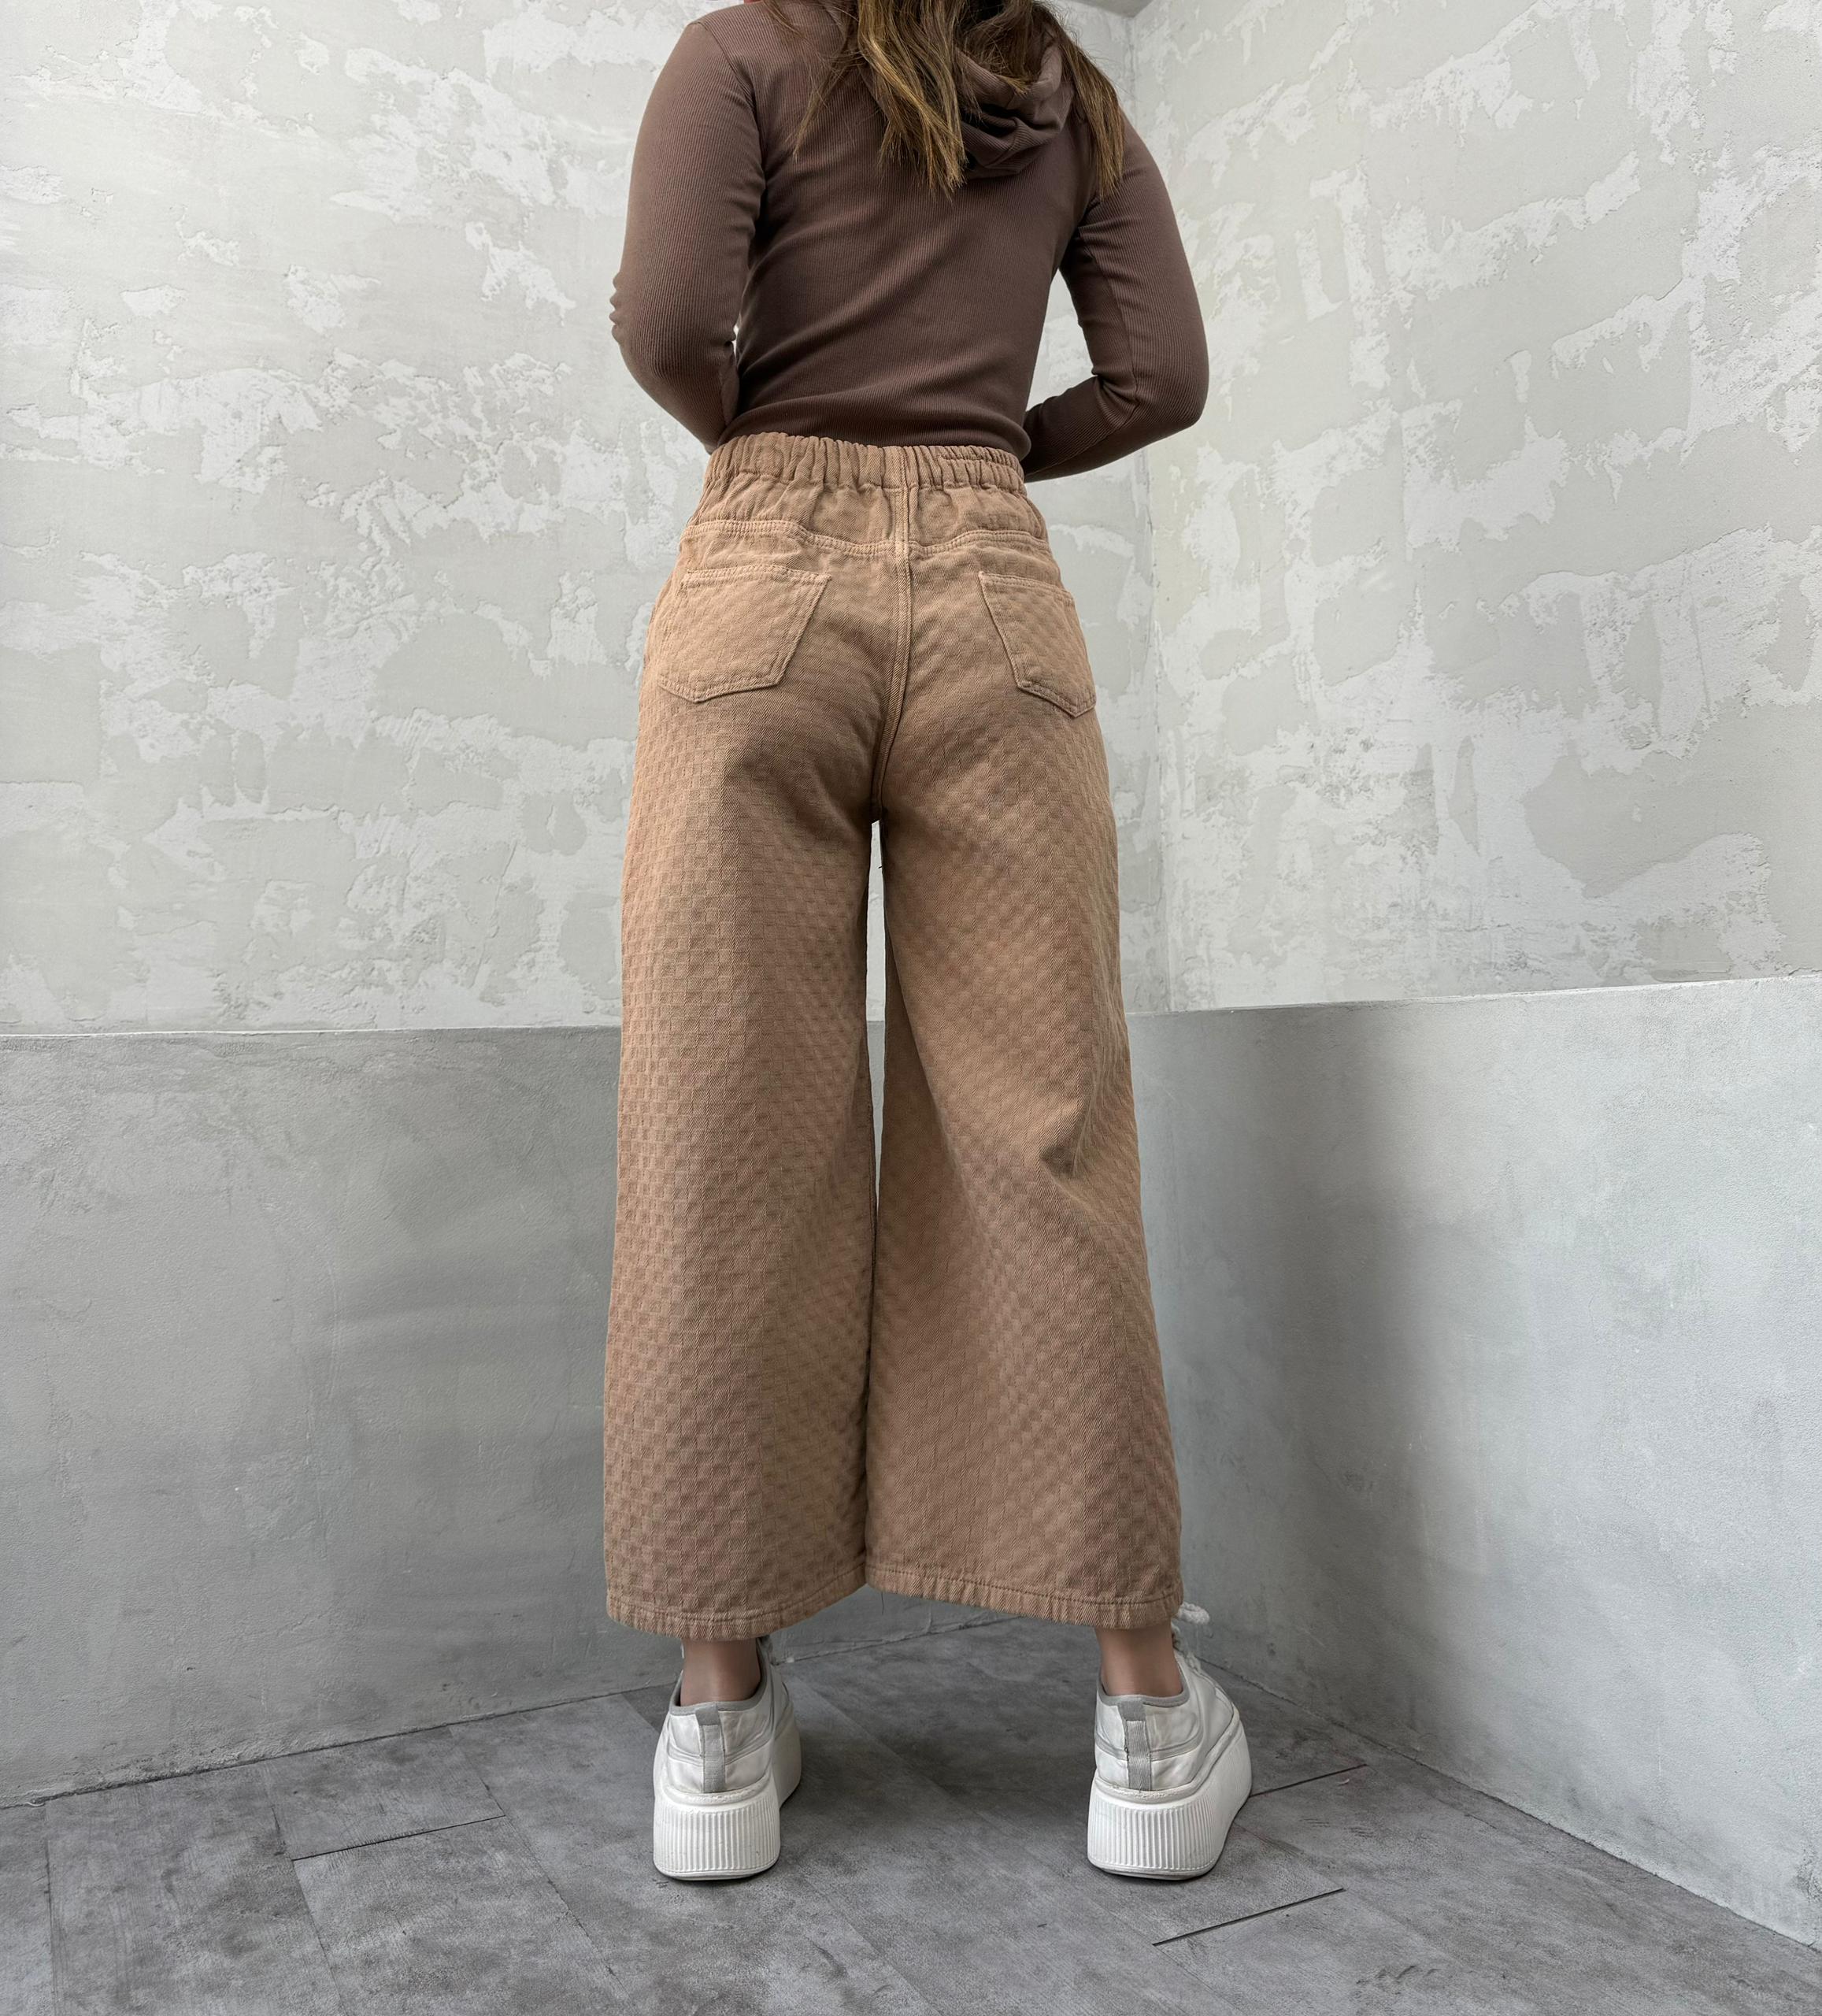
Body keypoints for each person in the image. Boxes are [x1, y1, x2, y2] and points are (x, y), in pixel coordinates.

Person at [605, 0, 1250, 1884]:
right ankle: (1143, 1716)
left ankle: (719, 1719)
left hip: (760, 577)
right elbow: (1161, 376)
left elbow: (665, 321)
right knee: (1045, 1125)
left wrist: (779, 454)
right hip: (991, 590)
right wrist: (975, 453)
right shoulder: (1068, 95)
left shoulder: (742, 50)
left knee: (720, 1128)